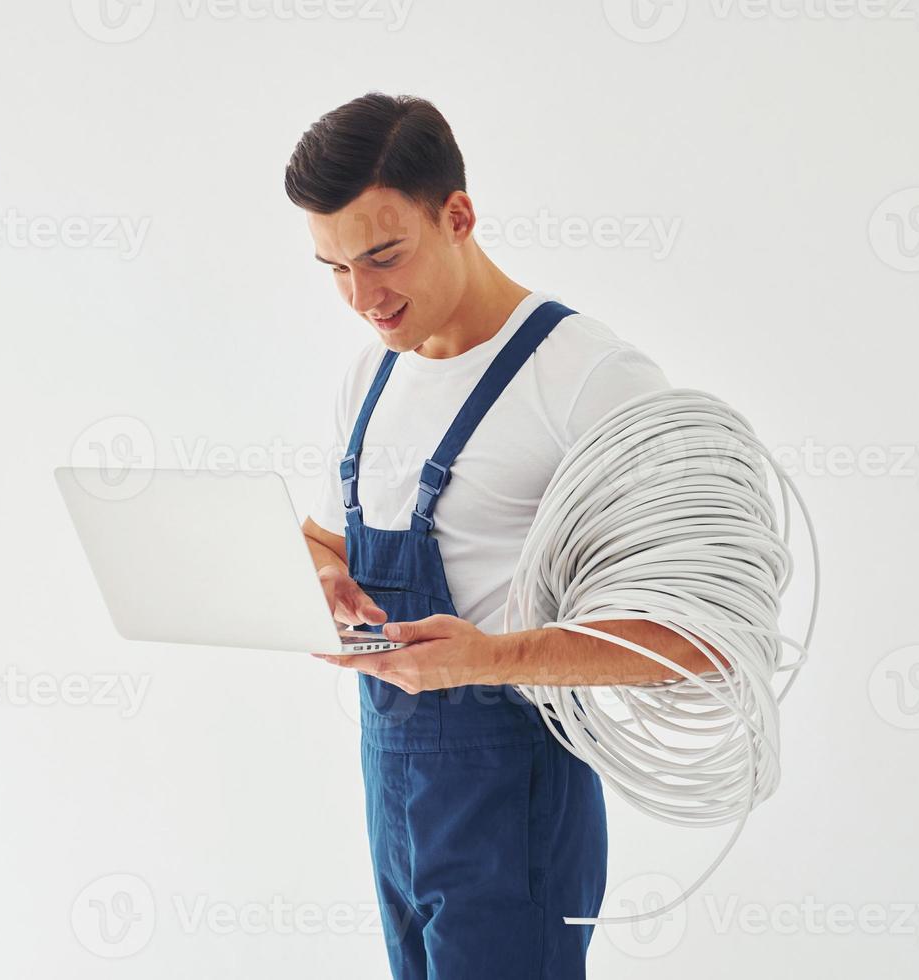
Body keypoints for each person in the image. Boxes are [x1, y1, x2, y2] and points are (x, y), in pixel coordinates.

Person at [285, 92, 719, 980]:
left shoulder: (589, 379)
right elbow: (324, 537)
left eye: (382, 255)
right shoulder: (372, 375)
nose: (363, 297)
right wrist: (323, 579)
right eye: (333, 267)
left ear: (459, 215)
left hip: (513, 802)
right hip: (393, 788)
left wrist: (484, 660)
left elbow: (701, 641)